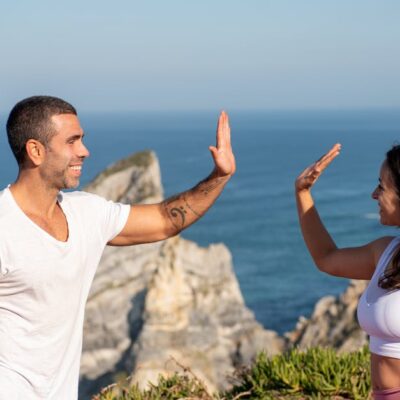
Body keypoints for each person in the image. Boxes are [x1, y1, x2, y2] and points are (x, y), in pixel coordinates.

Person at [0, 95, 236, 399]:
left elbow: (166, 220)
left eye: (82, 140)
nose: (84, 151)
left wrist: (220, 176)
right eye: (72, 141)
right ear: (35, 151)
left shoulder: (87, 214)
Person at [296, 143, 400, 400]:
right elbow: (326, 258)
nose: (374, 195)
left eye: (382, 186)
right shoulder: (386, 252)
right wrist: (302, 192)